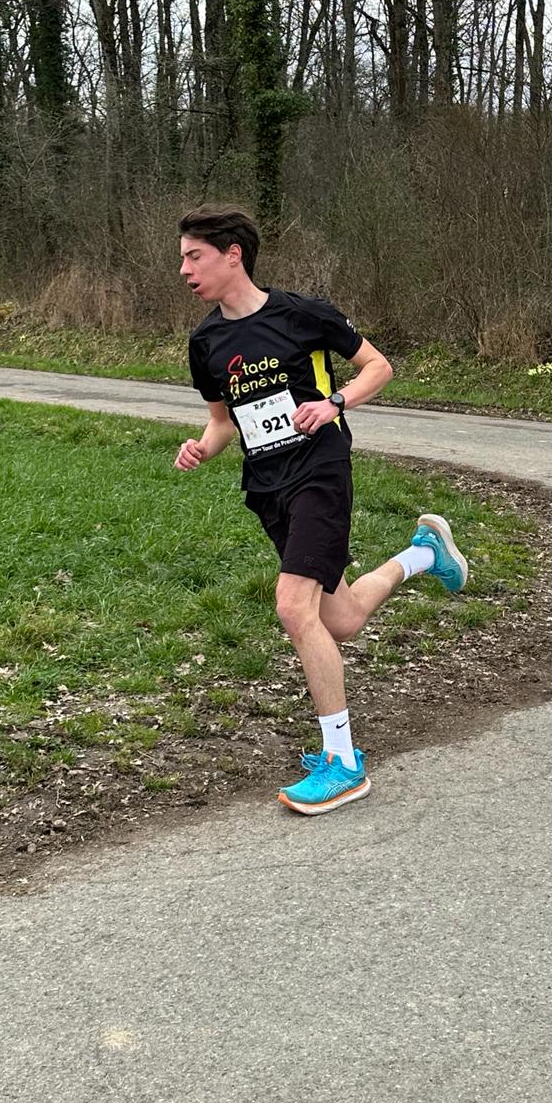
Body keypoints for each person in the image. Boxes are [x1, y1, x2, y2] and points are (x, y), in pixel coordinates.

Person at [174, 204, 468, 815]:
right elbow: (221, 422)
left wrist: (334, 402)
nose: (184, 270)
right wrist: (201, 447)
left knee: (291, 606)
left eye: (194, 256)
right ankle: (423, 554)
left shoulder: (301, 314)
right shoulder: (206, 342)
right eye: (183, 258)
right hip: (266, 486)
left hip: (319, 471)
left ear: (233, 254)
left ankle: (343, 763)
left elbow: (378, 367)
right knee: (341, 619)